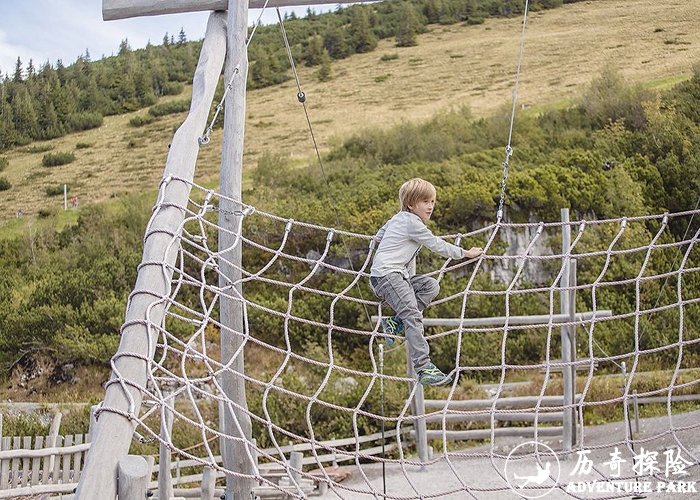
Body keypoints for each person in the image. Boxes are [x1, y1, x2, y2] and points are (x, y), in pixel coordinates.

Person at [369, 178, 483, 386]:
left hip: (392, 276)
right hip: (388, 276)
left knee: (431, 286)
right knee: (413, 314)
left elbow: (378, 236)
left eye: (432, 201)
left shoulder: (398, 218)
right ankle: (423, 368)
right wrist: (465, 253)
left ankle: (394, 323)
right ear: (411, 204)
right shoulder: (412, 223)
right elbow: (436, 244)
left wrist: (382, 244)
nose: (430, 207)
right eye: (425, 202)